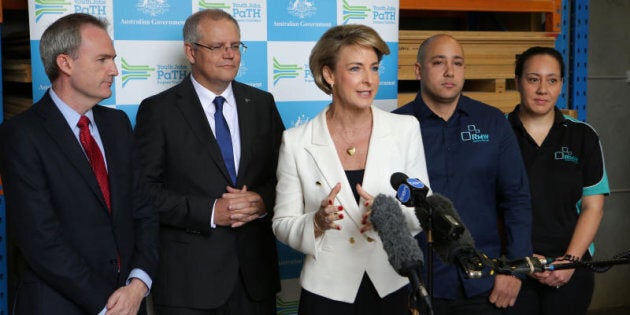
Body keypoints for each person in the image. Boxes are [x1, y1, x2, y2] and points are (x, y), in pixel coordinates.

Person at [0, 13, 159, 315]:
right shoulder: (21, 135)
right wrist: (108, 305)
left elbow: (144, 211)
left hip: (129, 302)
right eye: (102, 60)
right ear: (65, 63)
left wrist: (138, 284)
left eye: (113, 59)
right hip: (62, 306)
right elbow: (41, 241)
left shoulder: (118, 124)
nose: (114, 69)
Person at [272, 24, 431, 315]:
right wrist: (317, 222)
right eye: (356, 68)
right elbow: (282, 223)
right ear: (328, 74)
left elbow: (423, 210)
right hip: (326, 291)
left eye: (374, 68)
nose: (369, 80)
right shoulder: (296, 142)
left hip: (389, 284)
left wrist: (388, 216)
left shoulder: (405, 129)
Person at [134, 9, 284, 315]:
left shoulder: (261, 104)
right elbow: (143, 192)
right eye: (217, 47)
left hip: (255, 281)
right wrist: (211, 211)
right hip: (189, 286)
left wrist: (261, 201)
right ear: (191, 51)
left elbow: (288, 176)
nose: (229, 55)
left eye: (235, 46)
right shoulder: (158, 111)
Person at [393, 34, 533, 314]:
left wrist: (515, 269)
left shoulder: (492, 122)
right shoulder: (395, 127)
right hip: (414, 286)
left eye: (457, 63)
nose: (449, 72)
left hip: (483, 284)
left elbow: (517, 199)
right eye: (438, 62)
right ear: (418, 70)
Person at [505, 46, 609, 315]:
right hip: (512, 267)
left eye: (552, 80)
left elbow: (593, 206)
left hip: (570, 271)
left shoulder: (583, 136)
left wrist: (569, 262)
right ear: (517, 81)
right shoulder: (498, 133)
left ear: (561, 84)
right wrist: (521, 257)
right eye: (533, 79)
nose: (543, 89)